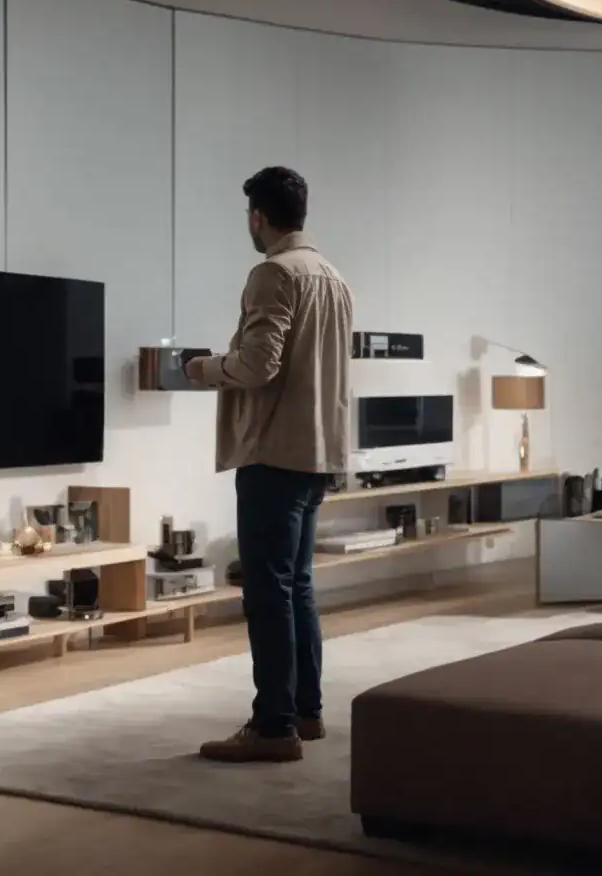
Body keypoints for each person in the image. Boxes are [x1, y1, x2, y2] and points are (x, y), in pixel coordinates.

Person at [185, 166, 352, 763]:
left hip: (275, 453)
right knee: (297, 585)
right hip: (318, 453)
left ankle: (273, 726)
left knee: (268, 590)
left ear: (258, 215)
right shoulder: (333, 277)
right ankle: (306, 712)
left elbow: (259, 365)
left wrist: (203, 368)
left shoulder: (274, 273)